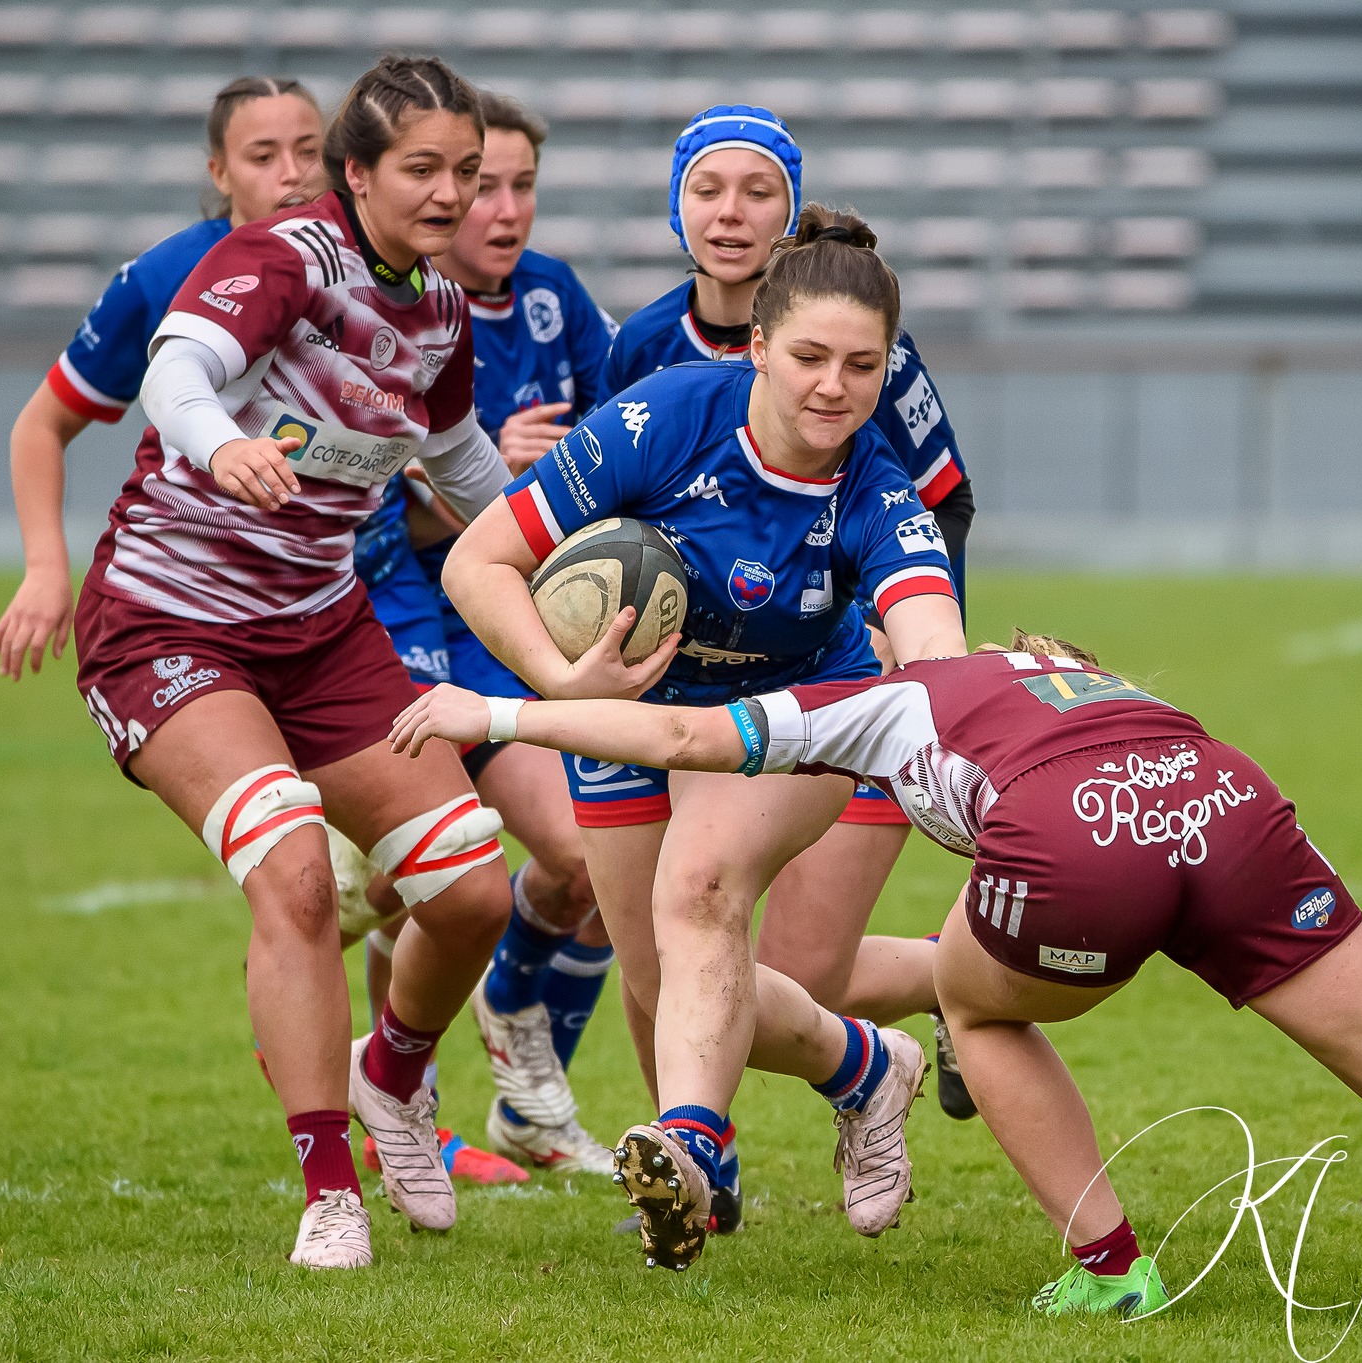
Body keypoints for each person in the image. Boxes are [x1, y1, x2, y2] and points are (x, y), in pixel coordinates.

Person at [388, 639, 1362, 1332]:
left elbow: (679, 735)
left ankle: (1111, 1266)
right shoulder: (1063, 667)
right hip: (1226, 797)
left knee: (981, 1004)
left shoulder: (879, 700)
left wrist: (496, 715)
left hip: (1080, 841)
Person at [440, 205, 967, 1270]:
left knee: (702, 893)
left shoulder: (878, 495)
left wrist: (974, 704)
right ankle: (864, 1066)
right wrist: (562, 680)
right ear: (758, 345)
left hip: (794, 718)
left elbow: (931, 653)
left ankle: (694, 1141)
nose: (832, 386)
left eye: (860, 367)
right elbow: (475, 564)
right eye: (809, 355)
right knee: (664, 975)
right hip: (635, 717)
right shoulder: (666, 418)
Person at [58, 55, 518, 1272]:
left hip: (321, 631)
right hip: (169, 627)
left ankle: (393, 1079)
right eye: (421, 169)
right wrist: (216, 449)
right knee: (299, 874)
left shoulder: (441, 308)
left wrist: (560, 541)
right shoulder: (283, 259)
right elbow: (174, 376)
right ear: (352, 171)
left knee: (475, 889)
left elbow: (460, 459)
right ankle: (329, 1190)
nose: (451, 194)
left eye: (465, 173)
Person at [593, 105, 982, 1122]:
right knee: (671, 954)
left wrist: (916, 658)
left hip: (843, 676)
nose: (728, 214)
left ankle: (955, 979)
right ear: (674, 205)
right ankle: (682, 1160)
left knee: (807, 972)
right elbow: (606, 519)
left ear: (789, 208)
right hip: (681, 688)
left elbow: (939, 501)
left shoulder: (864, 348)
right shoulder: (640, 346)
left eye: (756, 191)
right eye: (706, 190)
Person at [352, 90, 621, 1176]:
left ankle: (519, 1083)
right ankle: (405, 1108)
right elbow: (373, 513)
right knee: (410, 881)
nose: (500, 209)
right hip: (408, 620)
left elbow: (620, 435)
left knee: (579, 856)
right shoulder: (391, 316)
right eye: (479, 184)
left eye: (519, 186)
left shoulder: (556, 297)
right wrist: (483, 477)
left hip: (525, 622)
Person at [0, 76, 324, 682]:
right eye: (263, 156)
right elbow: (40, 426)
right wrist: (45, 568)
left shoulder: (381, 272)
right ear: (220, 174)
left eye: (309, 151)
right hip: (200, 596)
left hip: (348, 589)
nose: (292, 173)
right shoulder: (163, 278)